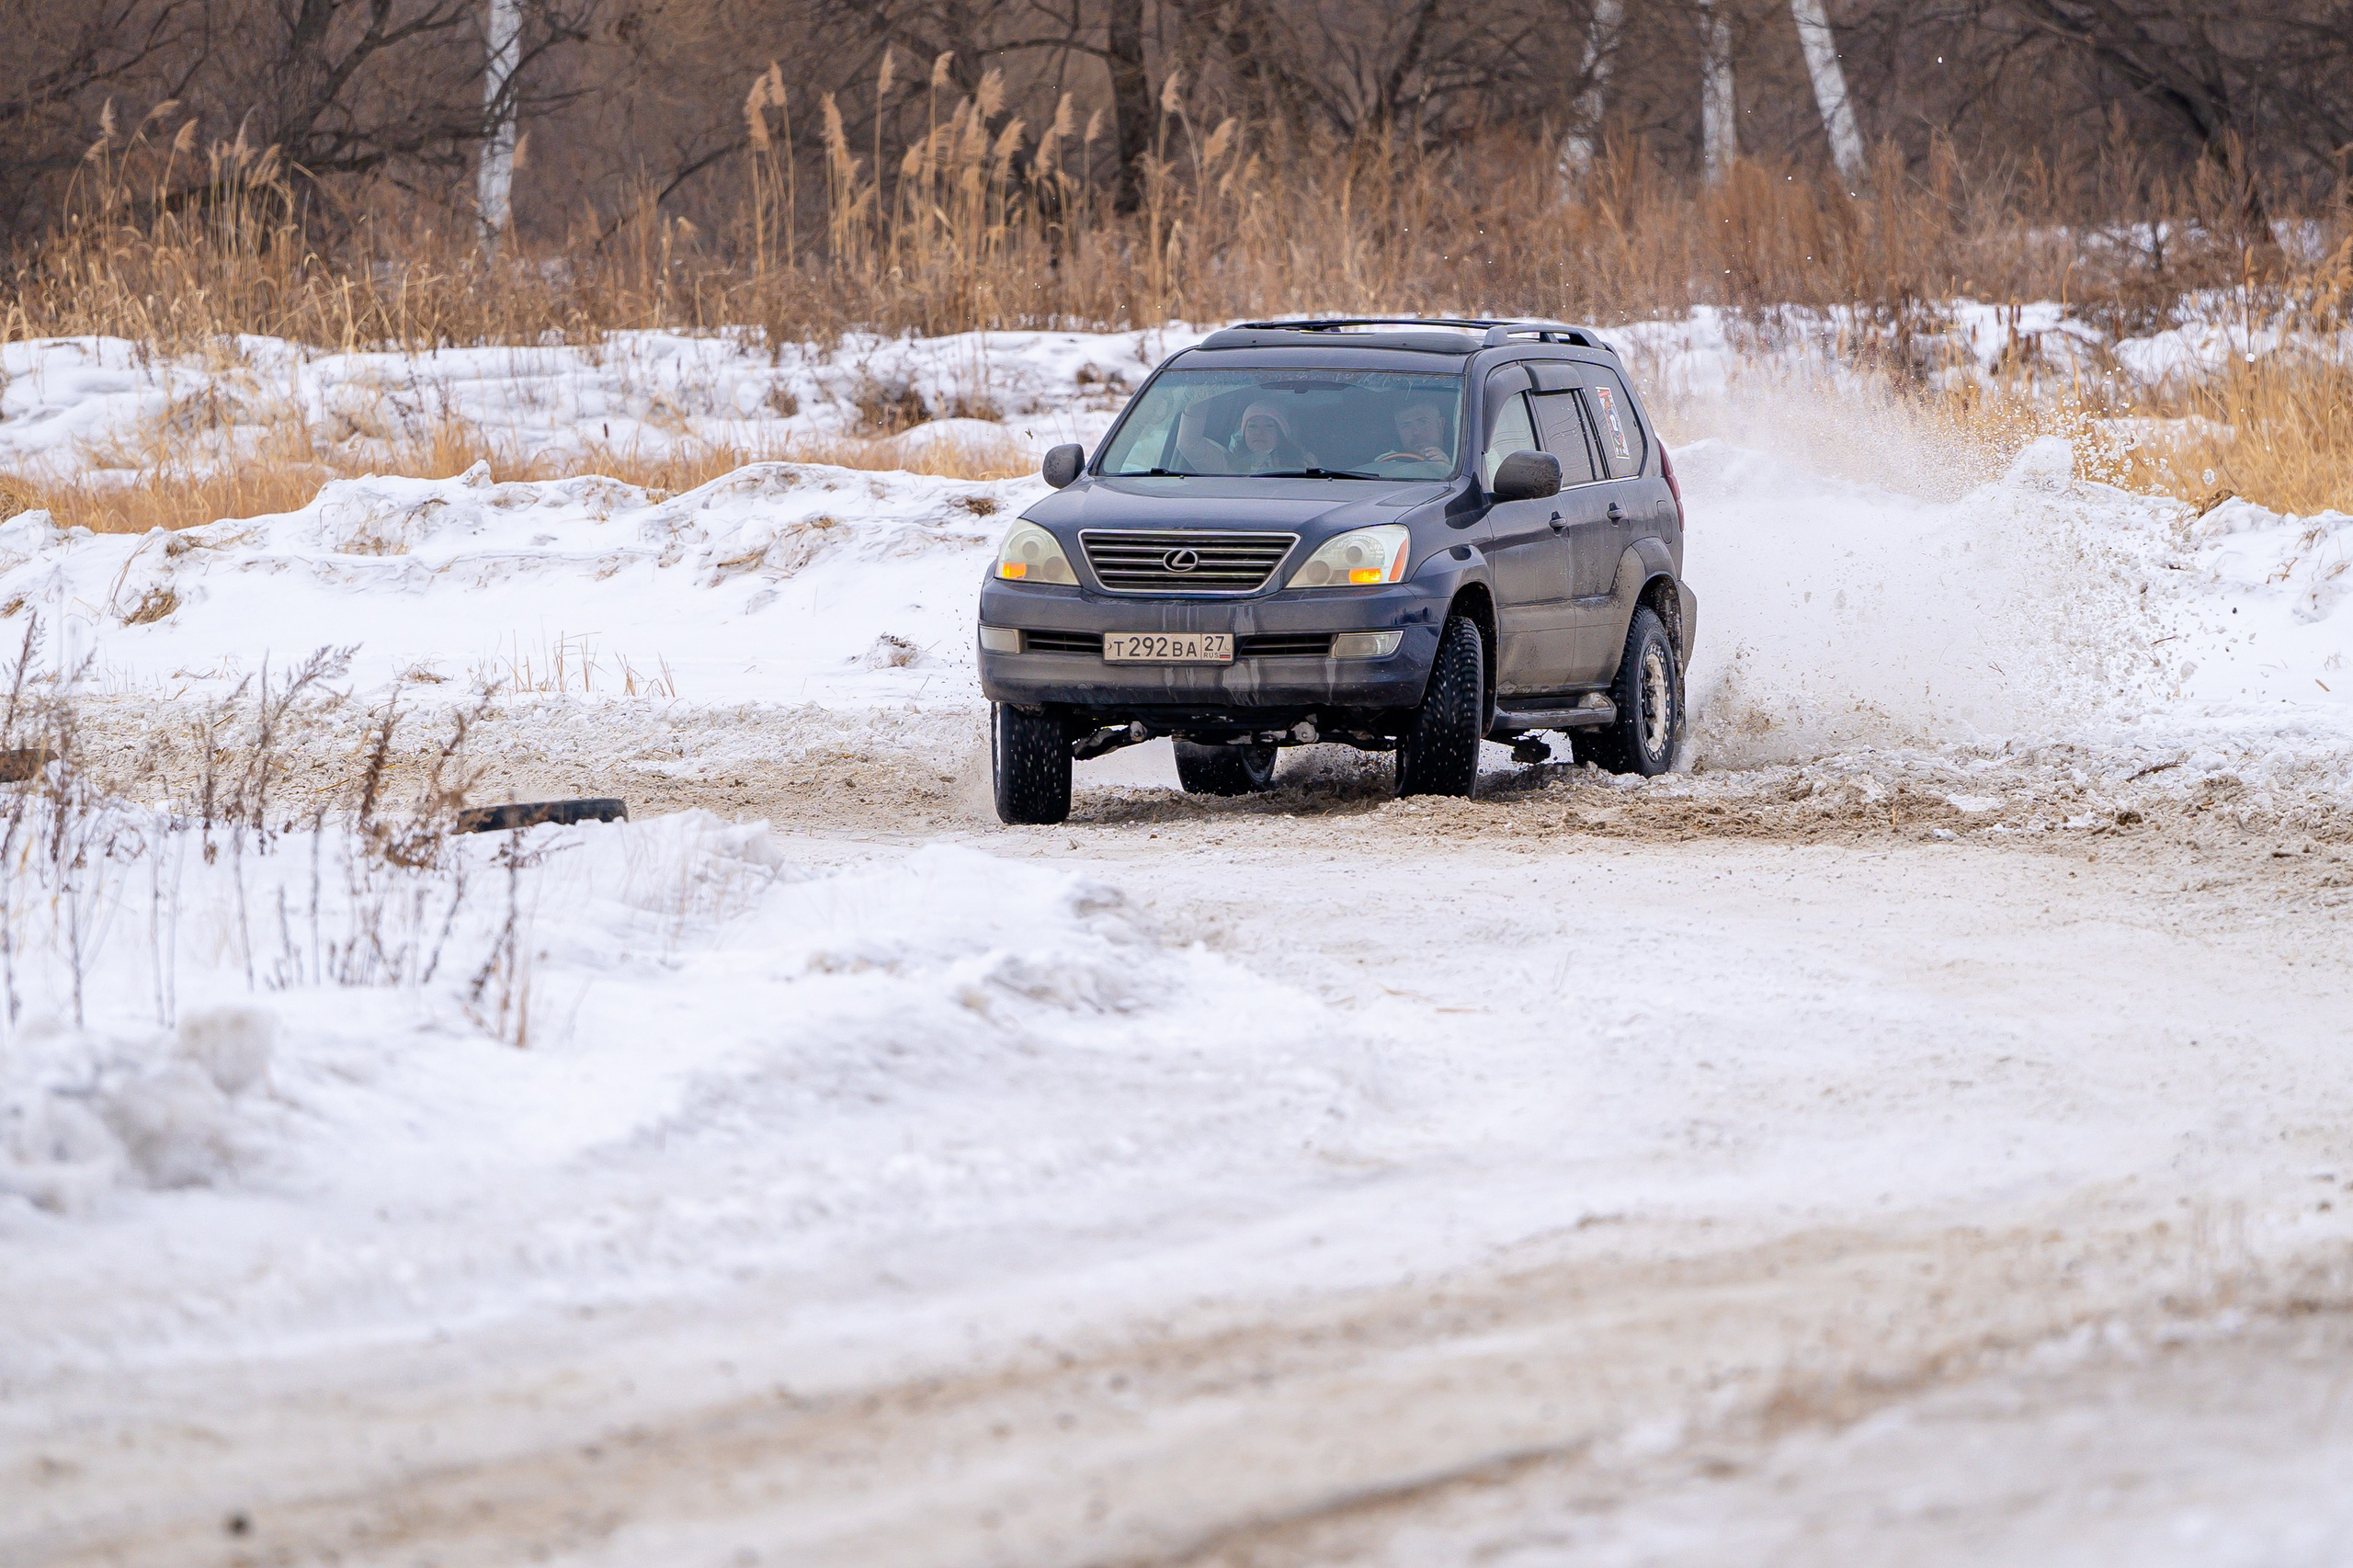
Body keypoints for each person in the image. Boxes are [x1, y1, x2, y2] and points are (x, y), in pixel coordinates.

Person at [1174, 397, 1317, 474]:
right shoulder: (1229, 466)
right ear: (1243, 433)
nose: (1259, 432)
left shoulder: (1303, 465)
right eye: (1252, 426)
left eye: (1269, 426)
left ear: (1281, 433)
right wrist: (1200, 397)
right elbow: (1188, 444)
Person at [1377, 399, 1453, 467]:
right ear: (1398, 432)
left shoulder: (1461, 462)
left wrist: (1447, 470)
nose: (1416, 432)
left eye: (1423, 422)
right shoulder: (1386, 464)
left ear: (1440, 424)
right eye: (1406, 425)